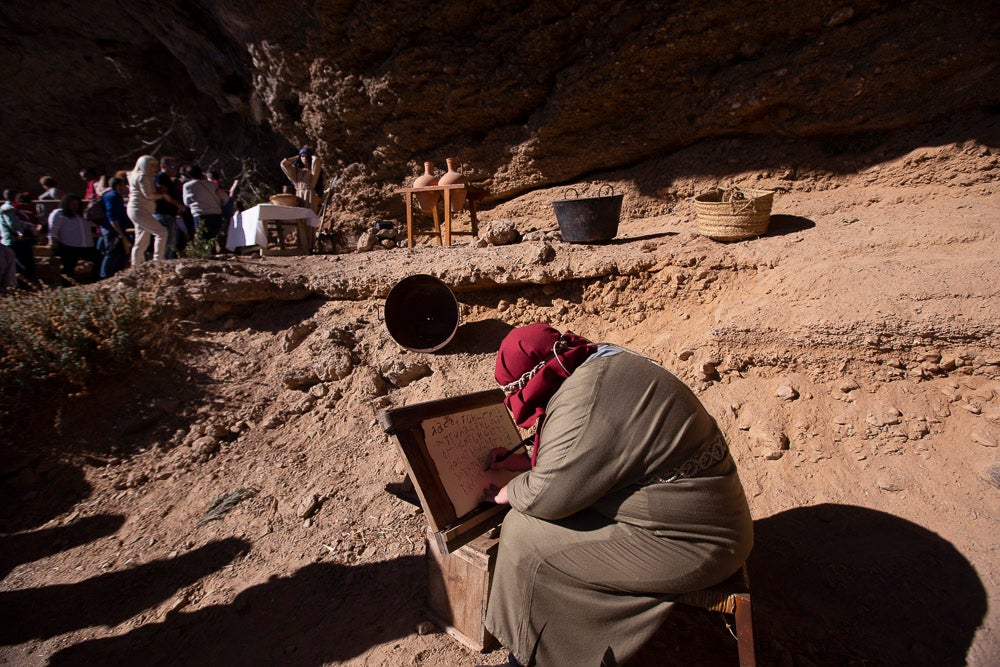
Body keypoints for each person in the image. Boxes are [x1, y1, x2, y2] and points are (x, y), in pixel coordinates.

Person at [480, 323, 754, 667]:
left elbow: (548, 497)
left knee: (523, 533)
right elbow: (602, 451)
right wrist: (526, 461)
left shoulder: (583, 397)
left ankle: (535, 655)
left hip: (694, 544)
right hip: (712, 521)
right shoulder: (604, 361)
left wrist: (510, 490)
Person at [182, 165, 236, 252]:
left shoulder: (187, 186)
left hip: (200, 214)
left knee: (202, 238)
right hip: (215, 214)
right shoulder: (212, 185)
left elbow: (186, 202)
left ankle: (205, 256)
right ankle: (212, 254)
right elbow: (224, 198)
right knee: (212, 238)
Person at [48, 194, 99, 285]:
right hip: (68, 245)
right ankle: (66, 287)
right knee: (69, 267)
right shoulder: (59, 213)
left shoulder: (82, 216)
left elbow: (94, 224)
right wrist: (52, 241)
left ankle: (95, 281)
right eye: (72, 204)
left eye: (77, 204)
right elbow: (53, 229)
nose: (75, 207)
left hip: (86, 246)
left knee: (99, 259)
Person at [127, 155, 168, 266]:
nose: (154, 168)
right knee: (161, 232)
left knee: (142, 241)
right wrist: (161, 195)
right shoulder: (142, 177)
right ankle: (157, 261)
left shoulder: (142, 177)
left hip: (139, 211)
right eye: (151, 166)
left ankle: (135, 265)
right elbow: (148, 195)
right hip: (139, 210)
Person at [1, 189, 38, 287]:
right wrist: (27, 226)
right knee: (23, 267)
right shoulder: (8, 208)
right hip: (15, 241)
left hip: (15, 241)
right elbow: (13, 225)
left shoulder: (11, 207)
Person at [153, 156, 186, 258]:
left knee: (171, 241)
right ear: (163, 166)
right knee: (167, 241)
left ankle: (166, 261)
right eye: (172, 166)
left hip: (169, 214)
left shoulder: (167, 178)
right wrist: (178, 205)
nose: (175, 169)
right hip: (163, 213)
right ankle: (162, 262)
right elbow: (164, 194)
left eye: (176, 166)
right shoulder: (161, 177)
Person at [99, 177, 131, 278]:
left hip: (119, 229)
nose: (125, 187)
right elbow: (112, 217)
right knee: (112, 253)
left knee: (121, 253)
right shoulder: (112, 197)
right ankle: (105, 276)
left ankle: (116, 275)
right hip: (112, 230)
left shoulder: (116, 197)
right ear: (117, 186)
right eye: (123, 185)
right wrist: (120, 232)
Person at [280, 146, 322, 212]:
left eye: (306, 156)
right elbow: (283, 164)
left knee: (309, 217)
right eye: (302, 156)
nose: (304, 159)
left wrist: (310, 155)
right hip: (299, 195)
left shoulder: (312, 171)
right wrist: (297, 157)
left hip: (309, 195)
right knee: (300, 218)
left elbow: (316, 160)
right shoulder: (297, 171)